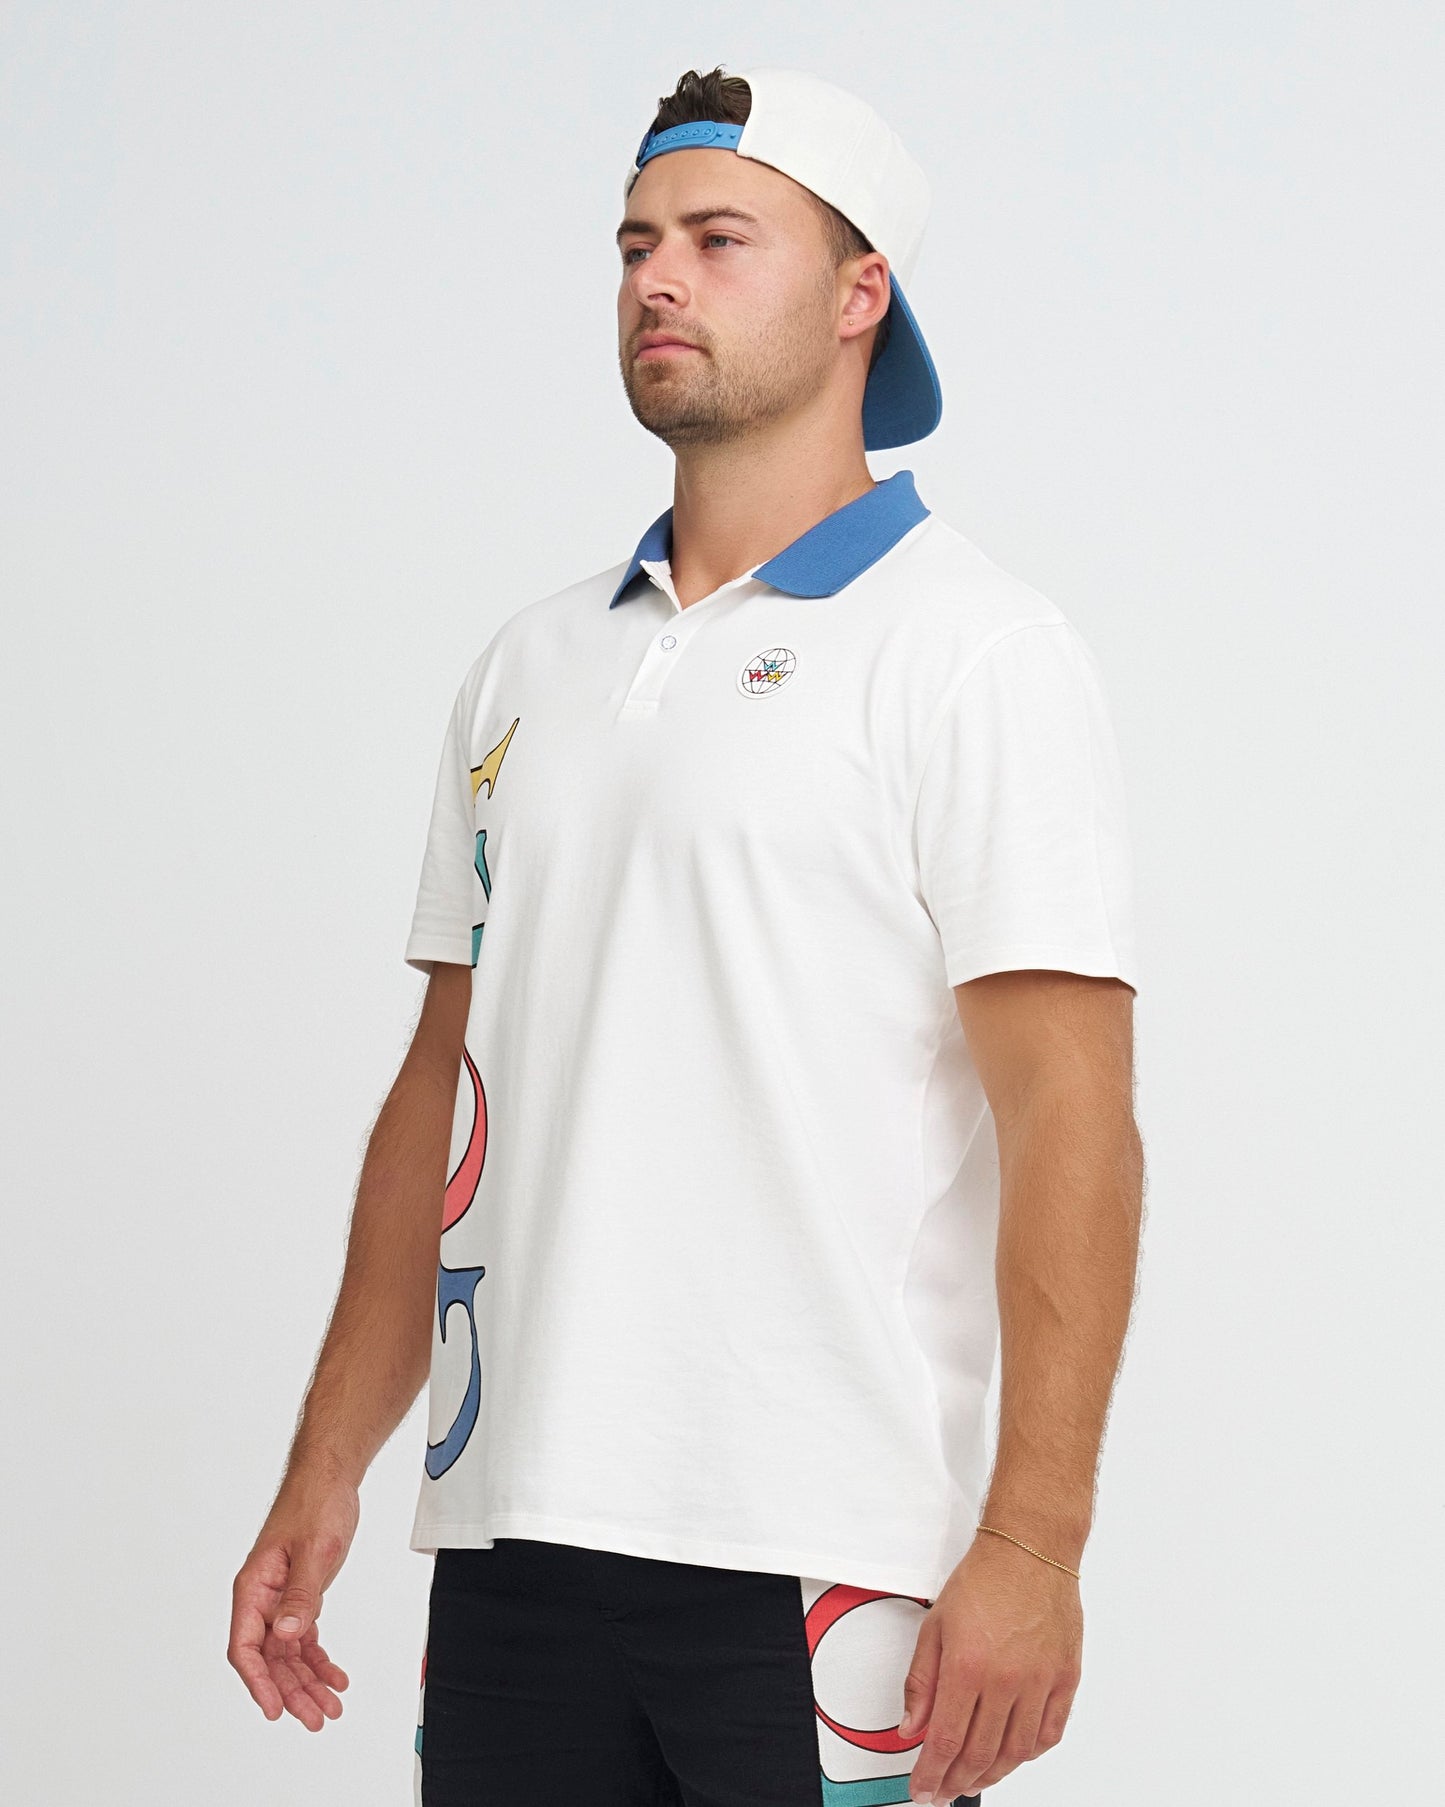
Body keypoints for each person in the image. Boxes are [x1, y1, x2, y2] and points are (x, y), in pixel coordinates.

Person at [227, 63, 1144, 1807]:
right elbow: (443, 1092)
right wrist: (325, 1468)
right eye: (636, 242)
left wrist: (1033, 1542)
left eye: (720, 239)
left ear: (860, 293)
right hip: (512, 1534)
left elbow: (1070, 1114)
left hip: (824, 1550)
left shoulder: (974, 651)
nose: (657, 277)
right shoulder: (529, 665)